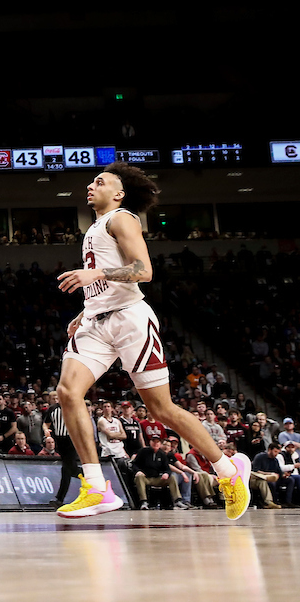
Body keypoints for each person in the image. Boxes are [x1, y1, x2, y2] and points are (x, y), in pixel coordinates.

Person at [54, 163, 250, 520]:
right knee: (67, 393)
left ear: (119, 194)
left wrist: (95, 273)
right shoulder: (95, 227)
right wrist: (86, 310)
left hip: (131, 320)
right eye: (92, 181)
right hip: (98, 321)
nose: (90, 185)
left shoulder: (122, 218)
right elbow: (107, 284)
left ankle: (227, 470)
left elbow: (143, 271)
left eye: (100, 182)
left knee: (162, 410)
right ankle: (98, 487)